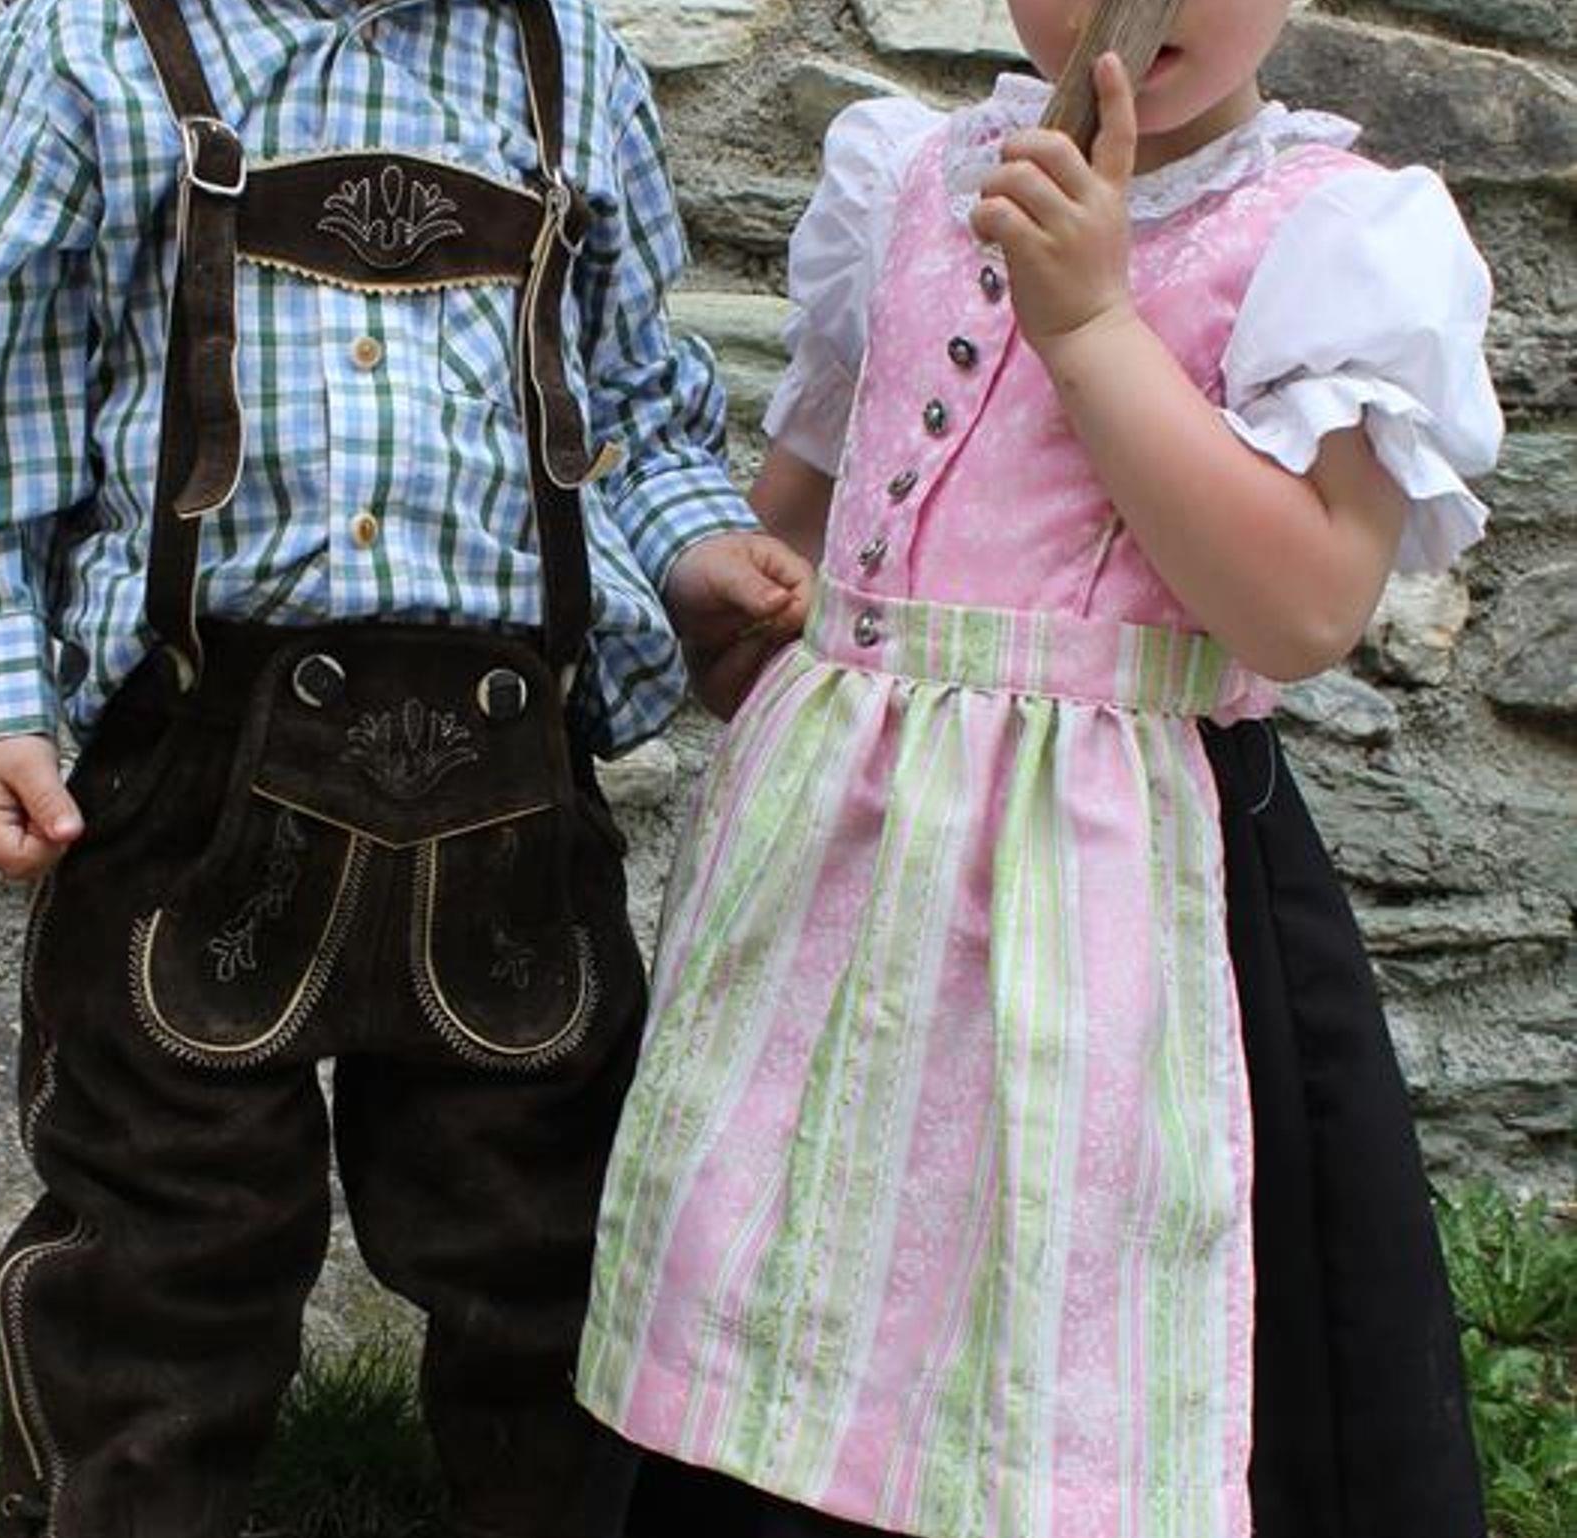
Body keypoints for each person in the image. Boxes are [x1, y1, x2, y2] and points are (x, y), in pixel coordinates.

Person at [0, 1, 811, 1533]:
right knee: (165, 1222)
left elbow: (636, 408)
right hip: (195, 765)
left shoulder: (570, 61)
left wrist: (699, 551)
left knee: (540, 1218)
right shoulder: (91, 45)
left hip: (508, 780)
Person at [575, 2, 1503, 1535]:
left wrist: (1092, 326)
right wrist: (765, 587)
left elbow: (1303, 610)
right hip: (843, 868)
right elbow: (815, 503)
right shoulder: (906, 180)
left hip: (1122, 890)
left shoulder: (1322, 236)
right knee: (787, 1244)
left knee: (1086, 1281)